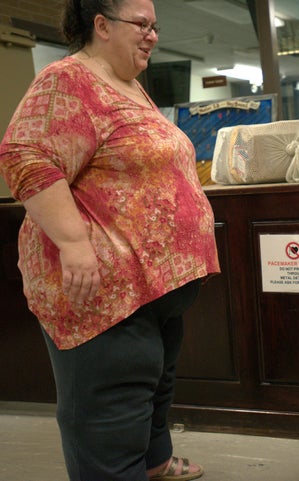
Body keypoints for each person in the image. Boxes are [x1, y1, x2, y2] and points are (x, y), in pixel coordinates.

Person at [0, 0, 219, 480]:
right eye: (142, 24)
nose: (153, 35)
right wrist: (75, 244)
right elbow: (25, 155)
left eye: (155, 26)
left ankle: (154, 462)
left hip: (156, 289)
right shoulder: (67, 80)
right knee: (109, 416)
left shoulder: (130, 87)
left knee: (153, 389)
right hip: (103, 294)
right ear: (101, 25)